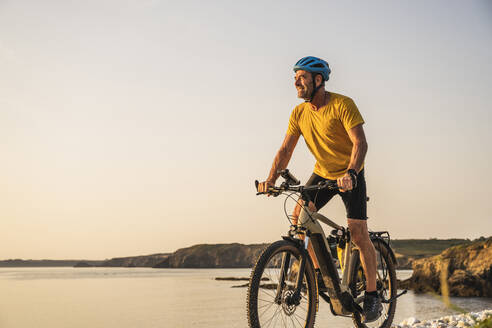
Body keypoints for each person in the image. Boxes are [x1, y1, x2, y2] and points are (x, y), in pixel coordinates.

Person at [257, 56, 381, 322]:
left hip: (350, 174)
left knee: (359, 235)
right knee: (299, 218)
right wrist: (271, 179)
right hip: (323, 173)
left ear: (318, 80)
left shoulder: (342, 104)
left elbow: (360, 143)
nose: (295, 82)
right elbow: (285, 150)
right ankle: (320, 276)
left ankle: (372, 295)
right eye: (295, 77)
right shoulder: (299, 113)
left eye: (301, 77)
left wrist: (351, 173)